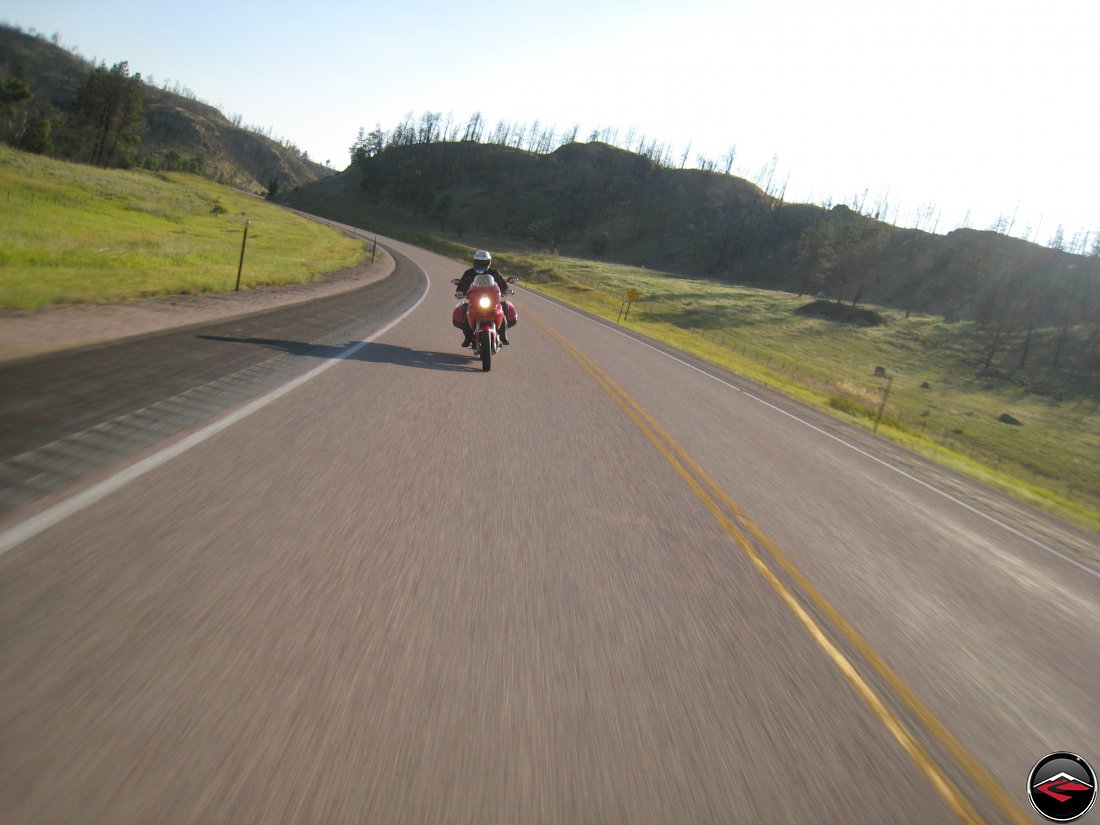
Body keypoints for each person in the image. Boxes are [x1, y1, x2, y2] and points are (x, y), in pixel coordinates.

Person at [454, 250, 517, 347]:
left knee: (501, 310)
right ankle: (467, 337)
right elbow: (462, 285)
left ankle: (503, 335)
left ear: (488, 262)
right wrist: (460, 291)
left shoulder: (494, 273)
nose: (480, 264)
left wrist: (506, 289)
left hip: (492, 301)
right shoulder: (469, 273)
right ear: (474, 262)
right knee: (467, 312)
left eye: (483, 262)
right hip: (476, 301)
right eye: (478, 262)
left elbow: (502, 284)